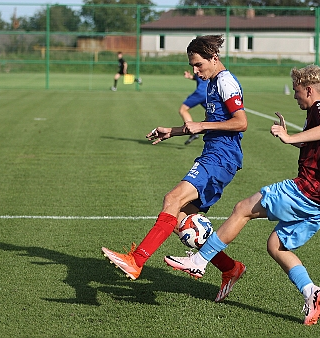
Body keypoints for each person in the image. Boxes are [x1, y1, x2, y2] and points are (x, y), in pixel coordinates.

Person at [165, 64, 320, 325]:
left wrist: (289, 137)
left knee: (242, 208)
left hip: (309, 190)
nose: (295, 96)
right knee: (276, 245)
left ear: (309, 90)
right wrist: (299, 139)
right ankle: (311, 292)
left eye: (297, 91)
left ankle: (200, 260)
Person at [102, 35, 248, 302]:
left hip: (221, 158)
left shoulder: (226, 82)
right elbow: (212, 122)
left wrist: (202, 126)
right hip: (214, 155)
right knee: (183, 219)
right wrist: (174, 131)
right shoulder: (213, 82)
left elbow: (241, 123)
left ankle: (137, 260)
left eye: (198, 65)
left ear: (214, 58)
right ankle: (230, 268)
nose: (195, 71)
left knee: (172, 199)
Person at [180, 71, 209, 145]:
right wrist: (190, 77)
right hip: (208, 93)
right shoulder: (207, 66)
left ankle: (193, 132)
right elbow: (201, 78)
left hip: (200, 93)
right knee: (213, 113)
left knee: (183, 110)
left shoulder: (200, 66)